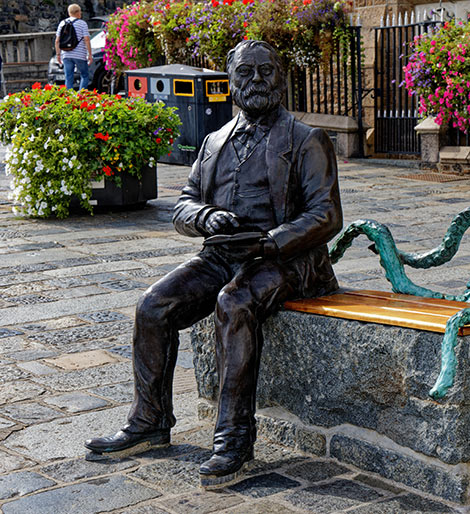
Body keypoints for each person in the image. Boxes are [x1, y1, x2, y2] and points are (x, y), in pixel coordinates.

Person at [84, 40, 342, 486]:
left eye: (266, 71)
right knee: (153, 304)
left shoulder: (306, 140)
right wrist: (206, 216)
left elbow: (325, 215)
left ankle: (234, 438)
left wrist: (269, 242)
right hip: (221, 253)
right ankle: (150, 421)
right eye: (245, 73)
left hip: (288, 259)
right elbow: (184, 205)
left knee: (234, 302)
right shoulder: (214, 141)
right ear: (230, 82)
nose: (256, 81)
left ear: (281, 78)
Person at [55, 4, 92, 90]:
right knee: (85, 75)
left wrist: (58, 54)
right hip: (80, 55)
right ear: (78, 12)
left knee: (68, 77)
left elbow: (57, 41)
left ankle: (69, 98)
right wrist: (89, 54)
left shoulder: (62, 23)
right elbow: (86, 39)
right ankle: (81, 96)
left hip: (66, 54)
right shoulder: (82, 23)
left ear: (69, 13)